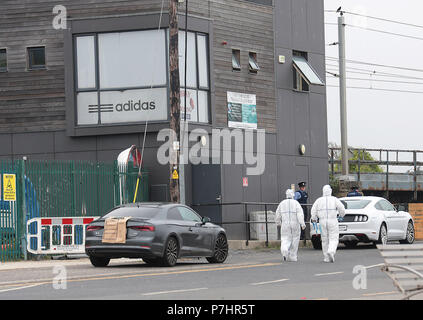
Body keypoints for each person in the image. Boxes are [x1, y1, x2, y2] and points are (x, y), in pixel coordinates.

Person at [310, 185, 345, 263]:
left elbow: (313, 211)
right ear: (330, 191)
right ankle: (331, 251)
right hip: (333, 220)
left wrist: (314, 219)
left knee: (324, 239)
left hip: (322, 221)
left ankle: (326, 257)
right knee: (334, 238)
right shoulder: (334, 199)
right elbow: (342, 208)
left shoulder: (318, 200)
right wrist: (341, 216)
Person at [275, 189, 306, 262]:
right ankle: (293, 256)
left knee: (285, 238)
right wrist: (302, 223)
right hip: (295, 224)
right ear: (293, 195)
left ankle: (284, 249)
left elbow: (277, 214)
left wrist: (278, 222)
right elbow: (300, 214)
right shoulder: (296, 203)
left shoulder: (282, 203)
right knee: (295, 239)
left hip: (285, 224)